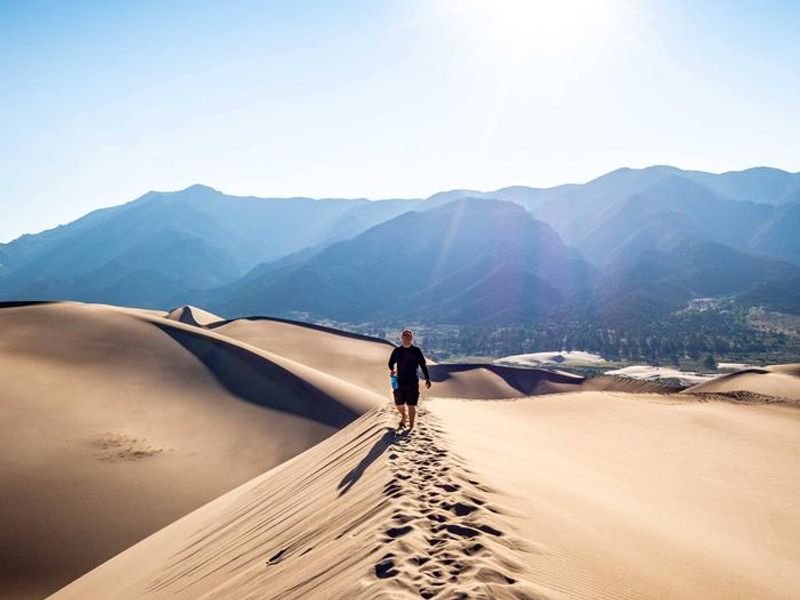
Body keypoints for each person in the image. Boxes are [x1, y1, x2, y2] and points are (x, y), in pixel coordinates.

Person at [388, 329, 431, 431]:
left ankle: (411, 427)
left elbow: (423, 365)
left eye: (408, 337)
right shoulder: (397, 351)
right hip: (399, 381)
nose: (406, 338)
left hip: (412, 382)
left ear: (411, 338)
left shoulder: (416, 351)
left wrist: (427, 378)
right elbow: (390, 363)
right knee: (398, 404)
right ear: (402, 338)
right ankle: (403, 416)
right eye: (405, 336)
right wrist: (392, 370)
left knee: (411, 405)